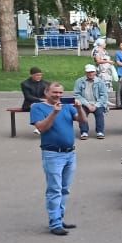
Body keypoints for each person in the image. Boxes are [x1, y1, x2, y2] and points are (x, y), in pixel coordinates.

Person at [31, 82, 83, 235]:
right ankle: (54, 223)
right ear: (46, 92)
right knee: (54, 189)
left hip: (70, 153)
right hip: (52, 154)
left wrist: (80, 108)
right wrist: (54, 113)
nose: (58, 95)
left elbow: (83, 121)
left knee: (65, 189)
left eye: (60, 93)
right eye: (55, 92)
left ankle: (59, 218)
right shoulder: (37, 107)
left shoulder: (66, 106)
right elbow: (41, 128)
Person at [72, 63, 109, 139]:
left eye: (92, 72)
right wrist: (87, 104)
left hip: (97, 103)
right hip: (84, 103)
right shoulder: (79, 81)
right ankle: (84, 131)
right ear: (85, 73)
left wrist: (96, 105)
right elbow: (77, 95)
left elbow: (104, 95)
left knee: (99, 113)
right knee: (81, 113)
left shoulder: (100, 82)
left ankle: (100, 131)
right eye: (88, 72)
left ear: (95, 72)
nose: (90, 74)